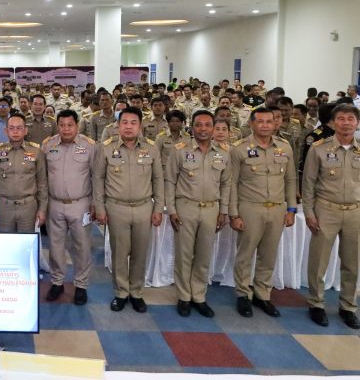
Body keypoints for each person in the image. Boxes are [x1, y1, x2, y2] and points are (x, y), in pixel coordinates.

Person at [229, 107, 297, 318]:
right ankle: (243, 294)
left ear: (275, 123)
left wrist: (291, 208)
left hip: (277, 209)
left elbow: (290, 180)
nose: (265, 125)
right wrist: (234, 214)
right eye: (260, 121)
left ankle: (262, 294)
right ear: (252, 123)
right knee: (245, 254)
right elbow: (231, 184)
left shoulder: (284, 147)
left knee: (269, 255)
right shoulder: (239, 149)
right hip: (250, 208)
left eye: (269, 121)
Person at [94, 107, 164, 313]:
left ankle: (136, 292)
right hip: (116, 208)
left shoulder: (151, 148)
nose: (128, 127)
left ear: (140, 126)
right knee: (119, 254)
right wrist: (100, 207)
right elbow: (97, 179)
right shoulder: (106, 148)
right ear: (118, 125)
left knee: (140, 254)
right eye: (124, 122)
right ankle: (121, 293)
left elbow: (158, 179)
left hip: (144, 207)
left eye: (133, 123)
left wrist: (158, 207)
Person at [164, 111, 231, 318]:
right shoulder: (180, 150)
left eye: (207, 125)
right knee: (184, 255)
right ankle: (184, 296)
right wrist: (171, 209)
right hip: (186, 207)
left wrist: (224, 210)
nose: (203, 129)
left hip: (211, 209)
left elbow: (226, 184)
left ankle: (199, 296)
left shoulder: (223, 153)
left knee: (204, 255)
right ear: (192, 127)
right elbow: (170, 181)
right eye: (199, 125)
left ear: (213, 128)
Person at [302, 104, 360, 329]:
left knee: (352, 263)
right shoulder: (319, 148)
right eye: (341, 119)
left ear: (357, 123)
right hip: (326, 210)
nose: (346, 123)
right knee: (319, 261)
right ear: (333, 123)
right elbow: (308, 184)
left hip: (355, 212)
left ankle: (348, 307)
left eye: (350, 119)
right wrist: (309, 212)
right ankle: (316, 304)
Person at [42, 109, 99, 306]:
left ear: (77, 125)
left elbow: (97, 177)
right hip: (54, 204)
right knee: (55, 246)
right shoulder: (48, 145)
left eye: (70, 125)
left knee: (82, 247)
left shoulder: (90, 146)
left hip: (80, 204)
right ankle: (57, 282)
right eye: (62, 125)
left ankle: (81, 285)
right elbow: (42, 177)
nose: (66, 129)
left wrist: (96, 203)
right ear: (57, 126)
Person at [0, 114, 48, 232]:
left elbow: (42, 183)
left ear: (25, 130)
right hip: (4, 206)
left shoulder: (36, 151)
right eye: (11, 128)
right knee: (7, 242)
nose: (15, 131)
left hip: (28, 207)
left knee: (26, 242)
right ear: (6, 131)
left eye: (19, 128)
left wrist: (42, 209)